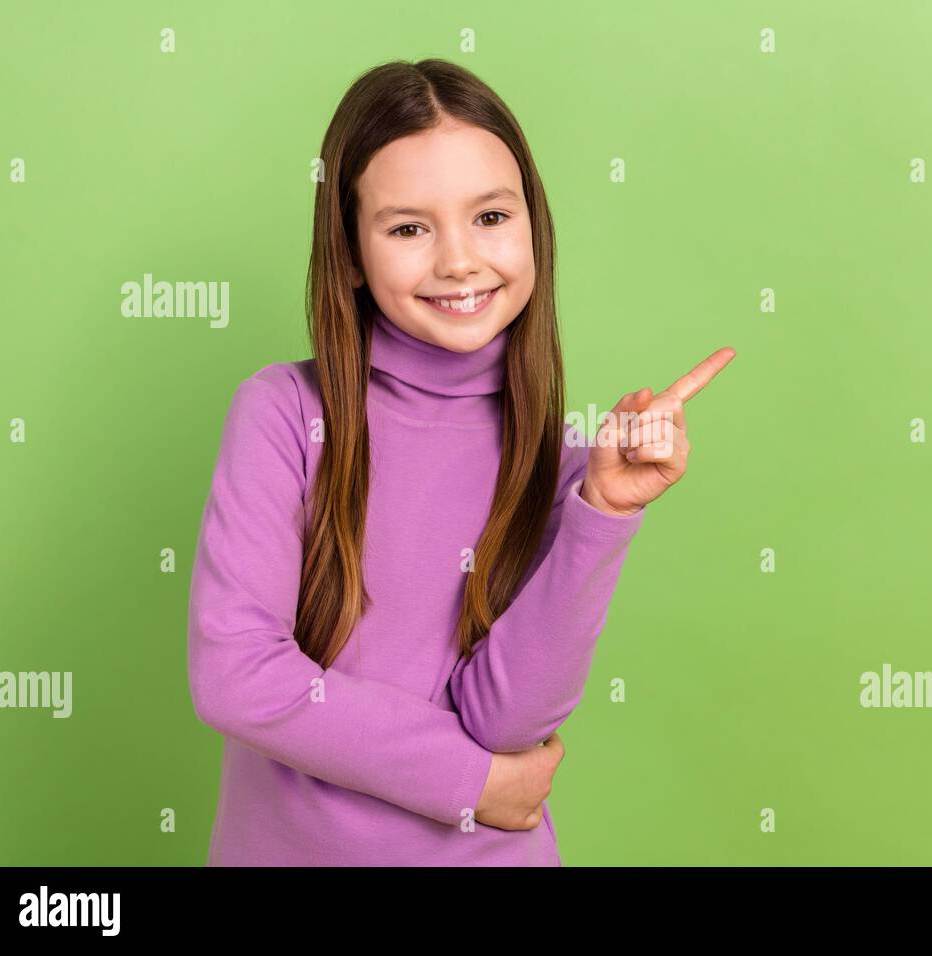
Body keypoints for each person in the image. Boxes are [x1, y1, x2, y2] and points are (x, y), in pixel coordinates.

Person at [186, 58, 734, 865]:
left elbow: (507, 726)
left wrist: (605, 511)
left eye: (490, 217)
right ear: (350, 251)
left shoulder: (558, 462)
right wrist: (470, 780)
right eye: (409, 227)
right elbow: (237, 676)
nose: (459, 262)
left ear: (532, 227)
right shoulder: (284, 413)